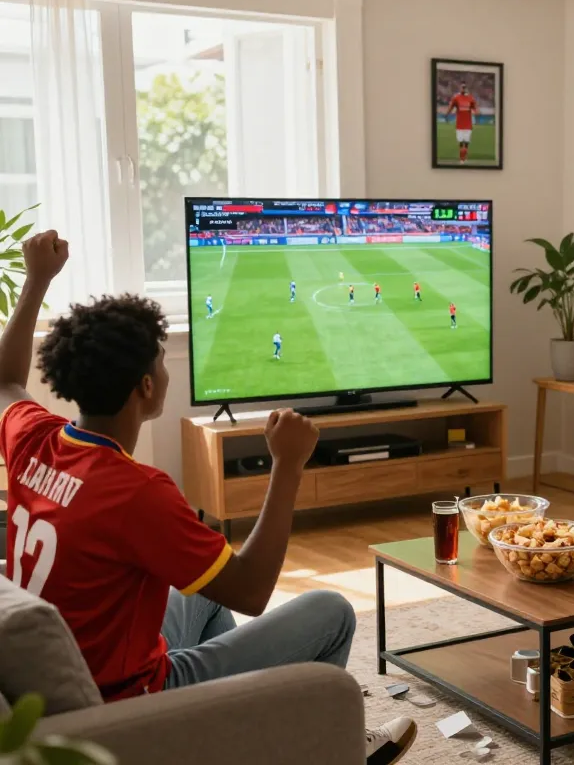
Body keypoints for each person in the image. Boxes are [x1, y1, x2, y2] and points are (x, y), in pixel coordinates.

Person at [1, 231, 417, 763]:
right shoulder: (136, 492)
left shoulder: (34, 438)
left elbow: (6, 379)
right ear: (145, 387)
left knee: (207, 584)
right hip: (133, 699)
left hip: (86, 662)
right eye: (161, 360)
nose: (165, 369)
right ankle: (325, 747)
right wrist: (288, 465)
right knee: (332, 611)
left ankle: (231, 728)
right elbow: (252, 590)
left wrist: (37, 280)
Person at [446, 82, 478, 165]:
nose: (463, 89)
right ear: (460, 88)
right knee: (461, 143)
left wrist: (476, 112)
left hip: (468, 125)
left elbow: (475, 108)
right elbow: (451, 106)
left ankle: (463, 158)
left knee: (466, 142)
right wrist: (447, 114)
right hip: (459, 125)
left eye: (464, 87)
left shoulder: (470, 98)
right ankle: (462, 158)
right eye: (462, 87)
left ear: (466, 88)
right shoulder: (456, 98)